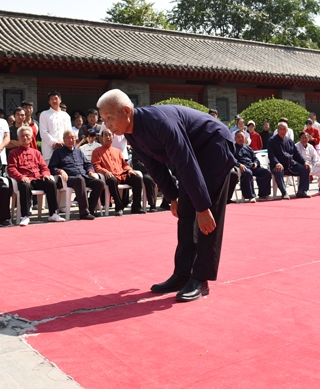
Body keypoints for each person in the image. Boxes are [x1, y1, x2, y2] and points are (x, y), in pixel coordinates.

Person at [98, 89, 236, 302]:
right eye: (103, 119)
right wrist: (173, 197)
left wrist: (202, 208)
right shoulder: (130, 133)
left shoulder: (161, 123)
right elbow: (154, 167)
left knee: (207, 218)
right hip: (191, 154)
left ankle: (201, 278)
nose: (106, 124)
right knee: (185, 214)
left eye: (109, 118)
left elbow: (186, 162)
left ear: (126, 111)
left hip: (213, 146)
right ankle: (182, 274)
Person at [7, 126, 62, 222]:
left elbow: (44, 167)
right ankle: (25, 215)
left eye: (27, 136)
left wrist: (45, 174)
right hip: (24, 179)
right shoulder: (13, 153)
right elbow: (11, 169)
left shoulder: (36, 152)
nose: (25, 138)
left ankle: (53, 213)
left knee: (51, 183)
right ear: (18, 138)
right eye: (22, 136)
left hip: (38, 178)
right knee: (24, 186)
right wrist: (21, 177)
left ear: (31, 138)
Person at [49, 130, 105, 220]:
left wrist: (90, 171)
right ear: (64, 139)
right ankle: (84, 212)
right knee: (79, 180)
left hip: (83, 176)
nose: (71, 140)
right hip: (69, 178)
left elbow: (88, 164)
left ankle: (90, 209)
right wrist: (61, 171)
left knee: (100, 183)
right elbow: (52, 167)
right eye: (69, 138)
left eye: (73, 138)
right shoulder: (58, 152)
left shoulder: (79, 152)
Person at [92, 129, 145, 215]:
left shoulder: (118, 151)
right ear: (101, 138)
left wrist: (129, 170)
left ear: (113, 138)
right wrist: (105, 172)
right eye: (106, 135)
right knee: (112, 180)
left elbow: (124, 164)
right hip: (109, 176)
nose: (108, 137)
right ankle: (119, 207)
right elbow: (96, 166)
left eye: (110, 135)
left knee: (137, 178)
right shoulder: (97, 151)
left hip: (121, 174)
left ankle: (136, 207)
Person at [267, 122, 311, 199]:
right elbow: (271, 155)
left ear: (287, 130)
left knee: (305, 168)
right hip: (278, 165)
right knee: (278, 170)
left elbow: (296, 154)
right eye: (280, 129)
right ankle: (284, 192)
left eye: (284, 129)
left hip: (291, 165)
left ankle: (302, 191)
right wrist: (277, 163)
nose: (282, 131)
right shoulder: (271, 140)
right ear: (277, 130)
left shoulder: (290, 141)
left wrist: (304, 162)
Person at [231, 130, 272, 202]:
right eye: (238, 137)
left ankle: (263, 194)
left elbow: (255, 158)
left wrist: (256, 163)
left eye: (242, 137)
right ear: (235, 139)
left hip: (252, 167)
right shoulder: (232, 149)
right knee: (248, 173)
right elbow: (231, 160)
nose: (240, 139)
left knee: (266, 172)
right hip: (242, 168)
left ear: (245, 138)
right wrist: (239, 165)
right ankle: (250, 196)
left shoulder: (248, 148)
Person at [39, 91, 71, 164]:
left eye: (56, 98)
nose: (54, 101)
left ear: (60, 100)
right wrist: (55, 143)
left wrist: (63, 143)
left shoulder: (66, 115)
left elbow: (69, 132)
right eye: (51, 99)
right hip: (49, 149)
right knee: (50, 172)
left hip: (64, 148)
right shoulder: (44, 114)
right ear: (49, 102)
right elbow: (43, 132)